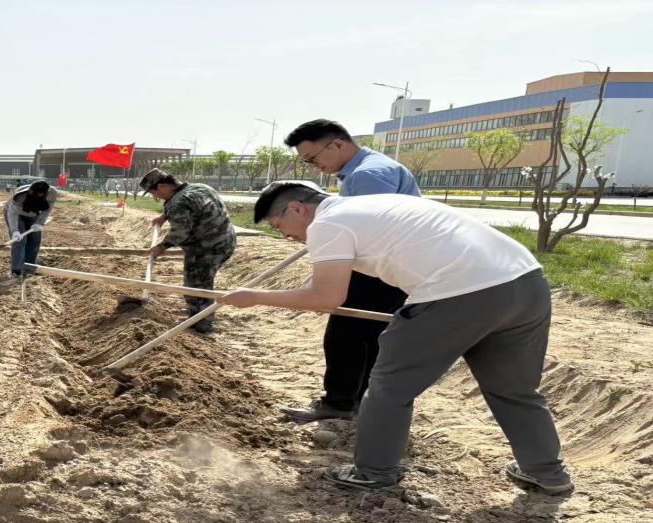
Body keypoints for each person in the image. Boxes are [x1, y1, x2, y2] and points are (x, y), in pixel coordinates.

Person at [219, 181, 571, 494]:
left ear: (297, 208)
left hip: (459, 291)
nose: (285, 235)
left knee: (390, 385)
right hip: (527, 284)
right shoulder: (371, 205)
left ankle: (373, 472)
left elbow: (326, 297)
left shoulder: (327, 223)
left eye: (280, 225)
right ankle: (546, 471)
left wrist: (255, 297)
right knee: (514, 389)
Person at [279, 119, 422, 422]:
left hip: (378, 268)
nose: (313, 165)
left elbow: (365, 231)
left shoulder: (369, 175)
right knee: (368, 335)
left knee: (345, 334)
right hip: (392, 266)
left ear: (337, 144)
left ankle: (340, 403)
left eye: (313, 158)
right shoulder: (369, 170)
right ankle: (360, 402)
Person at [139, 168, 236, 334]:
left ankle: (202, 321)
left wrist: (161, 247)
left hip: (206, 248)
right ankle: (200, 312)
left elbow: (180, 232)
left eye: (154, 192)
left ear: (162, 186)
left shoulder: (178, 203)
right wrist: (164, 217)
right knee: (203, 280)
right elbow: (191, 206)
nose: (155, 196)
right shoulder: (200, 187)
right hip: (226, 241)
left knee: (195, 284)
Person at [4, 180, 57, 278]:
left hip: (33, 214)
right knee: (19, 241)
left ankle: (30, 267)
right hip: (16, 214)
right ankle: (17, 271)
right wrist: (15, 231)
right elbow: (12, 214)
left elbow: (47, 209)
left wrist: (40, 223)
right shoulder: (19, 196)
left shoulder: (52, 193)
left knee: (35, 239)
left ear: (45, 193)